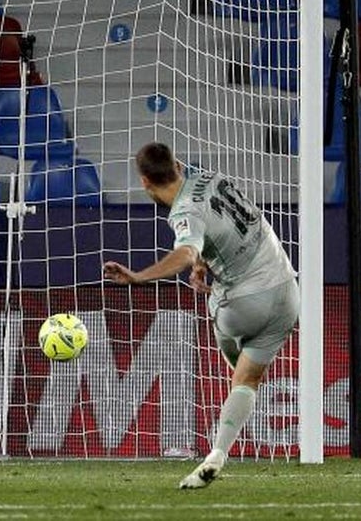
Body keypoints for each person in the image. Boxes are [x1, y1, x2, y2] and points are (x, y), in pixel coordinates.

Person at [102, 142, 298, 489]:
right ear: (178, 165)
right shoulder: (212, 177)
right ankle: (217, 453)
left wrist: (139, 276)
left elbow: (185, 252)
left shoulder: (183, 213)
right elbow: (232, 224)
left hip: (245, 304)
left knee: (222, 313)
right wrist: (205, 262)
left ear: (145, 182)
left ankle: (224, 427)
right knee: (248, 380)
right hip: (286, 291)